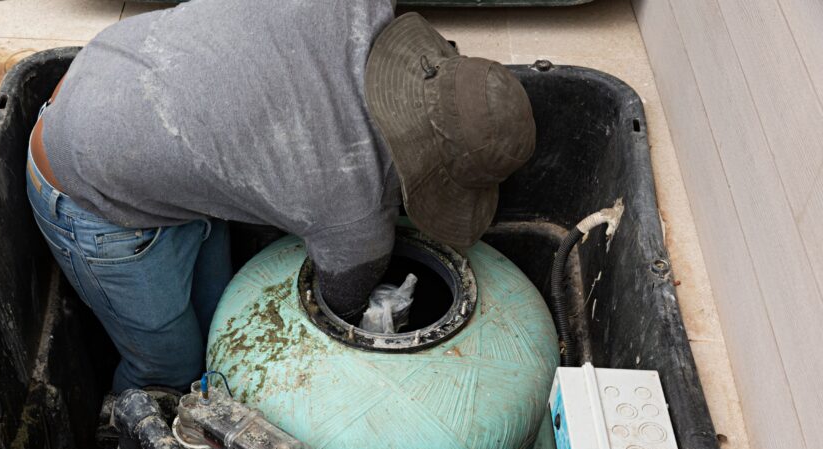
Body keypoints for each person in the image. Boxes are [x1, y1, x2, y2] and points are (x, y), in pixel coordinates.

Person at [26, 0, 535, 393]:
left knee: (218, 328)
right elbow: (332, 323)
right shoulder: (351, 212)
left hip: (118, 76)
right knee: (169, 371)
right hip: (89, 188)